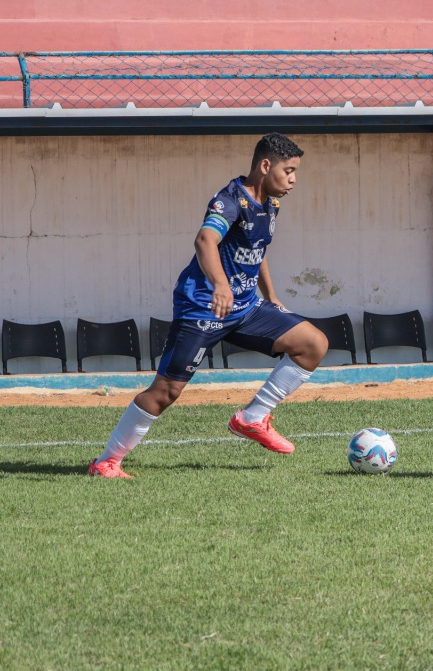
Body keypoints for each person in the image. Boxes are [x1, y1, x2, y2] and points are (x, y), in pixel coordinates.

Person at [87, 133, 330, 478]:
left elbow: (256, 249)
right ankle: (106, 461)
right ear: (265, 166)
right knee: (165, 392)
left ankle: (252, 418)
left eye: (295, 172)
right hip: (204, 307)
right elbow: (205, 240)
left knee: (313, 344)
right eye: (288, 170)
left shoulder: (271, 204)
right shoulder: (230, 199)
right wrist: (219, 284)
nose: (293, 180)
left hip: (245, 307)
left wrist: (271, 296)